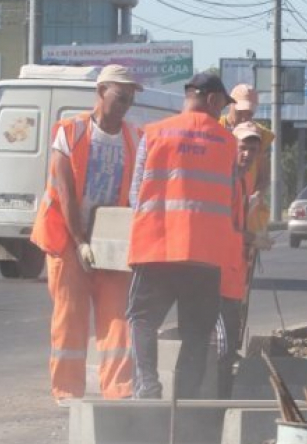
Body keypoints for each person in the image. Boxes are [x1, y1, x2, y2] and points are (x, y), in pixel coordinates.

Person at [30, 64, 143, 402]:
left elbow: (137, 193)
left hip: (112, 243)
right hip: (67, 239)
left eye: (129, 99)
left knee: (118, 320)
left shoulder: (135, 137)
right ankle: (68, 391)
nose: (124, 105)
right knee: (70, 318)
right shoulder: (71, 131)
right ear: (100, 92)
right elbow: (64, 191)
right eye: (119, 97)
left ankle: (118, 390)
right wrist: (80, 242)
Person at [127, 73, 237, 399]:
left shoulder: (155, 134)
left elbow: (136, 194)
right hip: (205, 254)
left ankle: (147, 387)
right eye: (222, 106)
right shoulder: (227, 141)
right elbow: (229, 196)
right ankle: (186, 399)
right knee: (197, 332)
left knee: (143, 320)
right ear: (214, 100)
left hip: (156, 248)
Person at [215, 121, 264, 399]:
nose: (247, 154)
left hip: (234, 278)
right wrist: (252, 238)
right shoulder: (225, 178)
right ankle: (213, 405)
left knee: (230, 342)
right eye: (243, 148)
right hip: (217, 277)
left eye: (253, 150)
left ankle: (221, 401)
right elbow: (224, 227)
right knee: (221, 345)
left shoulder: (244, 180)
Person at [219, 84, 274, 229]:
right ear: (230, 105)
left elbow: (263, 177)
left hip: (248, 216)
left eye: (249, 113)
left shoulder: (260, 135)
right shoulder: (216, 129)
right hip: (221, 210)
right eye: (240, 111)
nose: (244, 117)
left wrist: (256, 196)